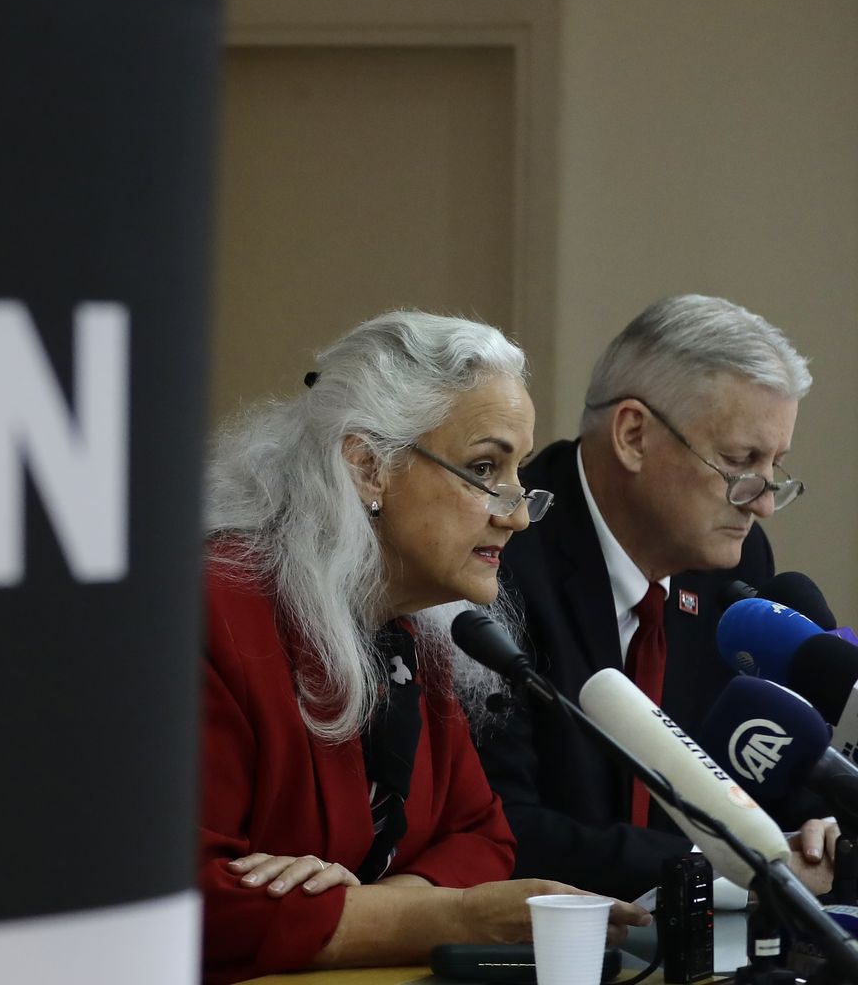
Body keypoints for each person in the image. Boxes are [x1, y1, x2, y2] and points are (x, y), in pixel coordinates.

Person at [200, 311, 648, 984]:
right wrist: (448, 918)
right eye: (484, 468)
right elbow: (186, 897)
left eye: (518, 472)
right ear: (368, 467)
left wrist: (370, 906)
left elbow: (484, 837)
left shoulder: (420, 634)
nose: (517, 513)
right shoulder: (215, 613)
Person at [477, 294, 832, 901]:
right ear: (634, 435)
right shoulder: (499, 555)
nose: (764, 502)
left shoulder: (738, 565)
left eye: (775, 467)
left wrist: (813, 824)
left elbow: (747, 769)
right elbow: (505, 827)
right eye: (741, 461)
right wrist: (735, 869)